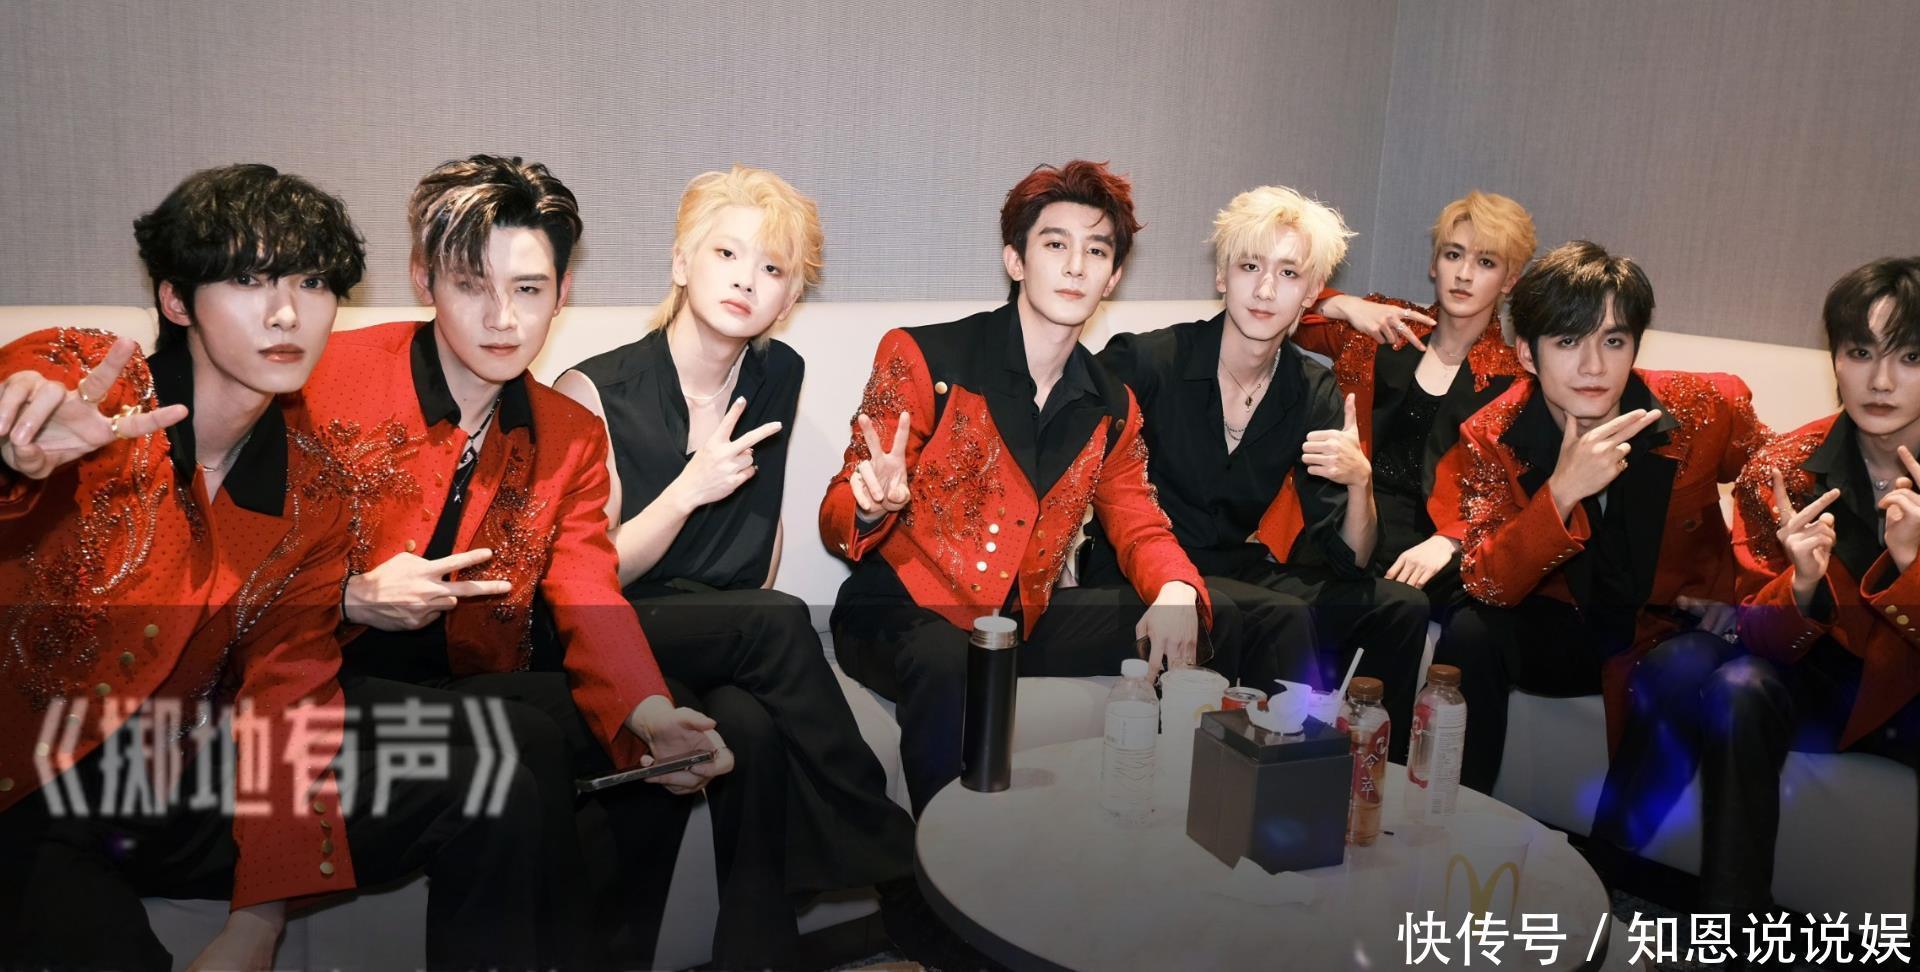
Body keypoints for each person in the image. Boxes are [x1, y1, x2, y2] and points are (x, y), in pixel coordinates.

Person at [0, 163, 547, 970]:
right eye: (249, 279)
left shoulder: (312, 488)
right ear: (177, 299)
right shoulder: (88, 381)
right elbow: (28, 401)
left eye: (313, 281)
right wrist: (15, 456)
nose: (287, 312)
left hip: (178, 781)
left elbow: (288, 698)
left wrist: (257, 927)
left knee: (491, 788)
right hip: (28, 797)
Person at [299, 155, 730, 968]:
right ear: (425, 279)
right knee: (526, 739)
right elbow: (238, 552)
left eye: (528, 289)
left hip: (463, 683)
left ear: (562, 294)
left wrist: (647, 712)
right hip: (321, 686)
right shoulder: (327, 379)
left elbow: (586, 582)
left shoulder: (569, 433)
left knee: (667, 724)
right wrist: (349, 594)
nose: (502, 318)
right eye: (471, 285)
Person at [556, 165, 927, 967]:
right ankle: (893, 859)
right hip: (617, 623)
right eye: (726, 253)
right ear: (681, 262)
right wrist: (687, 491)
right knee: (780, 620)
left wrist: (870, 508)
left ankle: (757, 954)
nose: (746, 280)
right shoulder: (593, 390)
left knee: (753, 729)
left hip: (724, 627)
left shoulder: (776, 374)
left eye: (772, 268)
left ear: (788, 299)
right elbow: (594, 576)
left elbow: (756, 547)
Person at [822, 160, 1242, 815]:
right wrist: (870, 504)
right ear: (1016, 260)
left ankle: (1194, 823)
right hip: (899, 611)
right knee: (954, 659)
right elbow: (839, 507)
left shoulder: (1113, 406)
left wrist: (1177, 590)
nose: (1075, 266)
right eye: (1055, 244)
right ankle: (940, 865)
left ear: (1113, 276)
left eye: (1096, 251)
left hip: (1021, 620)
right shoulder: (922, 355)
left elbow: (1139, 521)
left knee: (1218, 613)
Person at [1092, 185, 1426, 753]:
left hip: (1231, 565)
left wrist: (1360, 482)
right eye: (1250, 266)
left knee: (1399, 607)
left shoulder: (1312, 389)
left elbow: (1350, 558)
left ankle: (1373, 775)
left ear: (1312, 294)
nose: (1266, 290)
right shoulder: (1146, 361)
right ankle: (1281, 778)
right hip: (1142, 571)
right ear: (1223, 275)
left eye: (1288, 274)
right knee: (1278, 614)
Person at [1429, 240, 1766, 795]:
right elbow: (1488, 582)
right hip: (1567, 618)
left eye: (1613, 341)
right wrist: (1561, 493)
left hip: (1670, 624)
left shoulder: (1703, 406)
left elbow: (1781, 486)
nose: (1594, 367)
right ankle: (1452, 815)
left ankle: (1613, 847)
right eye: (1568, 342)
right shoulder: (1493, 433)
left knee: (1681, 668)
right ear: (1527, 354)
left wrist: (1746, 599)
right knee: (1471, 630)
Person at [1675, 257, 1920, 913]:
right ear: (1834, 358)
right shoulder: (1783, 467)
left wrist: (1913, 569)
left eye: (1910, 357)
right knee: (1737, 687)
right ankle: (1730, 932)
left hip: (1910, 691)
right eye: (1860, 353)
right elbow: (1756, 633)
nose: (1881, 381)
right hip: (1818, 681)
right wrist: (1803, 584)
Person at [1292, 191, 1536, 608]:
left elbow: (1512, 492)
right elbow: (1285, 311)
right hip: (1344, 513)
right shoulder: (1385, 327)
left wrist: (1452, 540)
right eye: (1453, 255)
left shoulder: (1514, 378)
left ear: (1510, 280)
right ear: (1434, 264)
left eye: (1486, 263)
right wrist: (1345, 305)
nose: (1464, 274)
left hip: (1432, 541)